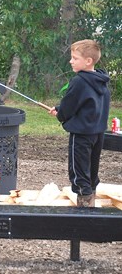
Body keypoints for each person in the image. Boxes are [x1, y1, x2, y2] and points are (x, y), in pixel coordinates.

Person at [48, 39, 110, 207]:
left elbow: (69, 107)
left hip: (81, 135)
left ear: (88, 61)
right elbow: (84, 103)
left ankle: (85, 210)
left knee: (79, 172)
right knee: (91, 171)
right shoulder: (101, 80)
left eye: (75, 58)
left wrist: (60, 114)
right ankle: (91, 200)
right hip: (97, 134)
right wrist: (60, 108)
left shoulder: (79, 81)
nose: (71, 61)